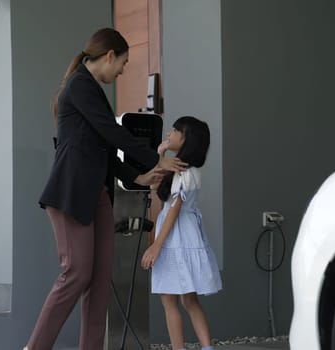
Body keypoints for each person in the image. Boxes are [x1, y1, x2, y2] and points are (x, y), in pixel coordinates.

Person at [24, 28, 186, 350]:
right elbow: (111, 132)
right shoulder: (79, 86)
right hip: (70, 195)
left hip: (97, 196)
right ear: (109, 55)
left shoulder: (93, 90)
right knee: (77, 273)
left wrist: (136, 176)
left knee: (99, 284)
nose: (124, 70)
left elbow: (100, 147)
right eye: (123, 62)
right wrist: (154, 158)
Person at [141, 116, 222, 350]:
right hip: (186, 233)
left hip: (174, 235)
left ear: (187, 140)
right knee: (189, 299)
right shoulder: (187, 169)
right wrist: (161, 154)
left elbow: (173, 209)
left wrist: (156, 245)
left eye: (176, 130)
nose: (170, 133)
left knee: (170, 299)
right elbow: (157, 189)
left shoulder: (183, 172)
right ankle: (207, 347)